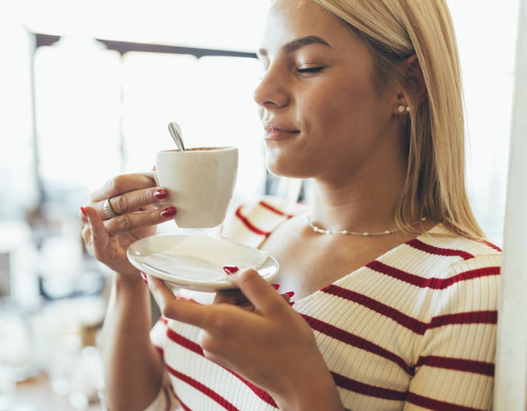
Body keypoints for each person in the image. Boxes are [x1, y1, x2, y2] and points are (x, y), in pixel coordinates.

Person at [79, 0, 502, 409]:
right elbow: (142, 404)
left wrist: (301, 385)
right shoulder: (246, 226)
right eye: (264, 63)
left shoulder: (465, 285)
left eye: (307, 66)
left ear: (408, 85)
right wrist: (129, 278)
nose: (262, 92)